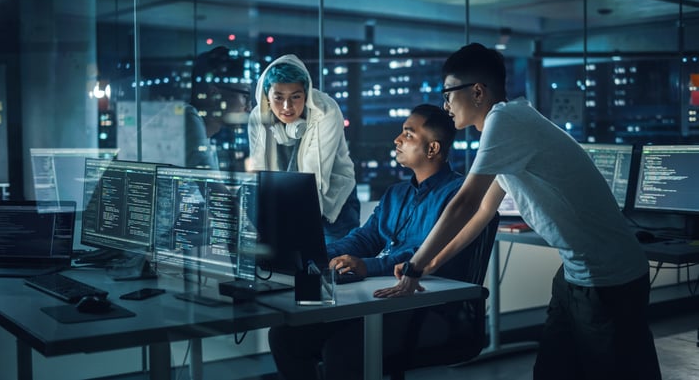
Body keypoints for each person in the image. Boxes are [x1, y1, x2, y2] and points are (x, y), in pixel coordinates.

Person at [374, 43, 662, 380]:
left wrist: (415, 266)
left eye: (448, 93)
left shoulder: (505, 120)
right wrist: (431, 264)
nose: (445, 104)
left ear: (477, 92)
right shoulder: (512, 123)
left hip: (608, 276)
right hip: (576, 273)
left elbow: (465, 202)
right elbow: (482, 211)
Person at [268, 104, 489, 380]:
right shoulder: (396, 193)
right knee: (286, 335)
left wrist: (367, 267)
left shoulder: (459, 196)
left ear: (432, 149)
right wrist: (312, 252)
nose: (397, 140)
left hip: (429, 309)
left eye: (408, 134)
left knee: (343, 350)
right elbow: (364, 238)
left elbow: (423, 252)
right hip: (382, 300)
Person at [247, 54, 359, 242]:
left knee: (334, 266)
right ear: (267, 96)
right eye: (279, 97)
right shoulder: (258, 118)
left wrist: (294, 228)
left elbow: (314, 179)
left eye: (295, 97)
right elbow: (260, 173)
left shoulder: (326, 111)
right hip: (284, 202)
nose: (287, 106)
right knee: (285, 267)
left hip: (334, 202)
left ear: (306, 95)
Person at [186, 46, 251, 169]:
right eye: (244, 96)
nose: (248, 108)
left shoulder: (207, 139)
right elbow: (212, 186)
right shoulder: (189, 118)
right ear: (214, 94)